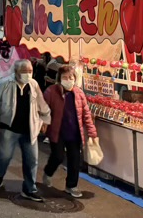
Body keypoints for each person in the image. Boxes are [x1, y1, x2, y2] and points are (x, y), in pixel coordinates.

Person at [0, 59, 51, 202]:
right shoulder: (5, 83)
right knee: (4, 157)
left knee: (32, 160)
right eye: (25, 72)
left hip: (30, 128)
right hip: (9, 127)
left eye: (30, 71)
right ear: (16, 72)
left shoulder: (33, 84)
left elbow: (41, 103)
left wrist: (46, 119)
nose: (28, 74)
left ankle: (30, 189)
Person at [42, 65, 97, 198]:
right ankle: (48, 172)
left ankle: (71, 186)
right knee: (58, 156)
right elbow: (42, 109)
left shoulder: (79, 93)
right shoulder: (51, 91)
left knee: (75, 160)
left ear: (75, 79)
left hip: (74, 132)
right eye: (65, 77)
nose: (68, 80)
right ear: (59, 79)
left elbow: (86, 114)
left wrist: (92, 132)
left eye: (70, 77)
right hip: (57, 131)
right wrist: (42, 123)